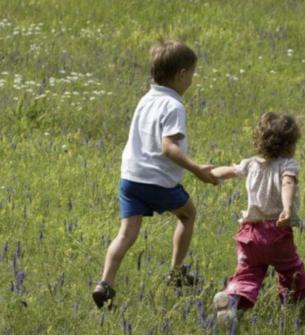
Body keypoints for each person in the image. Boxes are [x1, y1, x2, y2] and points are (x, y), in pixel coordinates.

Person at [92, 39, 218, 308]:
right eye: (192, 74)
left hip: (130, 178)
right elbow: (168, 147)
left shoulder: (146, 99)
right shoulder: (174, 106)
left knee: (126, 234)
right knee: (188, 214)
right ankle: (176, 272)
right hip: (157, 180)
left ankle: (105, 283)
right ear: (182, 74)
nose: (192, 80)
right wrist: (197, 169)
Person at [210, 112, 305, 327]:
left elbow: (228, 170)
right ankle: (289, 307)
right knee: (291, 272)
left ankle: (233, 300)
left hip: (249, 234)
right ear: (291, 143)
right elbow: (287, 184)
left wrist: (209, 172)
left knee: (247, 275)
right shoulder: (288, 165)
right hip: (277, 232)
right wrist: (287, 208)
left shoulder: (250, 164)